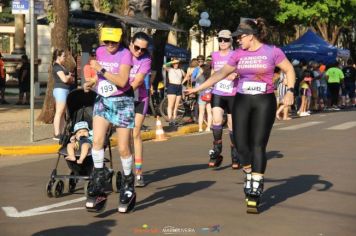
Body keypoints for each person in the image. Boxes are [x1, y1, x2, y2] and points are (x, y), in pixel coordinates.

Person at [185, 18, 295, 213]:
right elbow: (219, 74)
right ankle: (248, 173)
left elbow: (289, 69)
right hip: (242, 100)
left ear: (251, 36)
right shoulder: (237, 55)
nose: (237, 41)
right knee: (241, 144)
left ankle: (256, 184)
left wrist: (290, 91)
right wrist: (198, 89)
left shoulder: (272, 51)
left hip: (264, 101)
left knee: (258, 144)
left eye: (240, 37)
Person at [83, 21, 136, 213]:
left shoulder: (125, 54)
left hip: (122, 101)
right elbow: (101, 78)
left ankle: (129, 184)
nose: (110, 45)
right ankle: (98, 182)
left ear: (120, 38)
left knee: (123, 148)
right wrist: (91, 82)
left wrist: (101, 69)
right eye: (106, 41)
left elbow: (122, 81)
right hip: (103, 99)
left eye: (113, 41)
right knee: (96, 141)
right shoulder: (101, 52)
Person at [209, 30, 240, 169]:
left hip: (232, 94)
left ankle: (235, 155)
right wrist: (208, 87)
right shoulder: (214, 55)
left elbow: (242, 69)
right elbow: (213, 72)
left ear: (231, 41)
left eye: (226, 40)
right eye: (220, 39)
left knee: (232, 126)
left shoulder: (235, 54)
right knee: (216, 121)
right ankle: (217, 152)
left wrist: (235, 74)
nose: (222, 42)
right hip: (218, 92)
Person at [128, 32, 151, 187]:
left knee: (135, 133)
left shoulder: (146, 59)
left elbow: (139, 80)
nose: (139, 52)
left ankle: (138, 172)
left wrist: (123, 92)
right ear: (130, 43)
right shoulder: (122, 55)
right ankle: (126, 169)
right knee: (126, 135)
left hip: (139, 98)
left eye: (143, 49)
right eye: (137, 48)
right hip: (122, 99)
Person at [52, 49, 74, 140]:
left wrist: (69, 77)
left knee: (62, 113)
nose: (65, 58)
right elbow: (64, 79)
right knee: (59, 112)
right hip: (60, 90)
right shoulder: (57, 67)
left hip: (64, 90)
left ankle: (61, 133)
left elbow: (70, 79)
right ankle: (57, 133)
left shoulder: (62, 66)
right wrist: (69, 76)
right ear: (58, 56)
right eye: (64, 56)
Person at [163, 58, 185, 126]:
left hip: (179, 87)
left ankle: (174, 120)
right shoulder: (170, 69)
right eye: (174, 63)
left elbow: (187, 76)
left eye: (177, 63)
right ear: (172, 64)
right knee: (171, 105)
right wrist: (172, 61)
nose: (176, 64)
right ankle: (170, 120)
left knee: (176, 106)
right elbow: (164, 65)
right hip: (172, 87)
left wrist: (183, 82)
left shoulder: (181, 70)